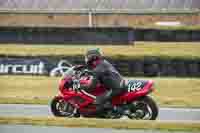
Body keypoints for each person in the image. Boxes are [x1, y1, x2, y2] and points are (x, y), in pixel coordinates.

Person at [80, 48, 126, 112]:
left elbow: (92, 86)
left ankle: (115, 112)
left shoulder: (97, 70)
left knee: (97, 101)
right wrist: (88, 72)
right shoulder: (103, 63)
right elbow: (101, 73)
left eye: (87, 57)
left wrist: (81, 86)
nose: (87, 59)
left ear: (92, 58)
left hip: (116, 89)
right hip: (120, 83)